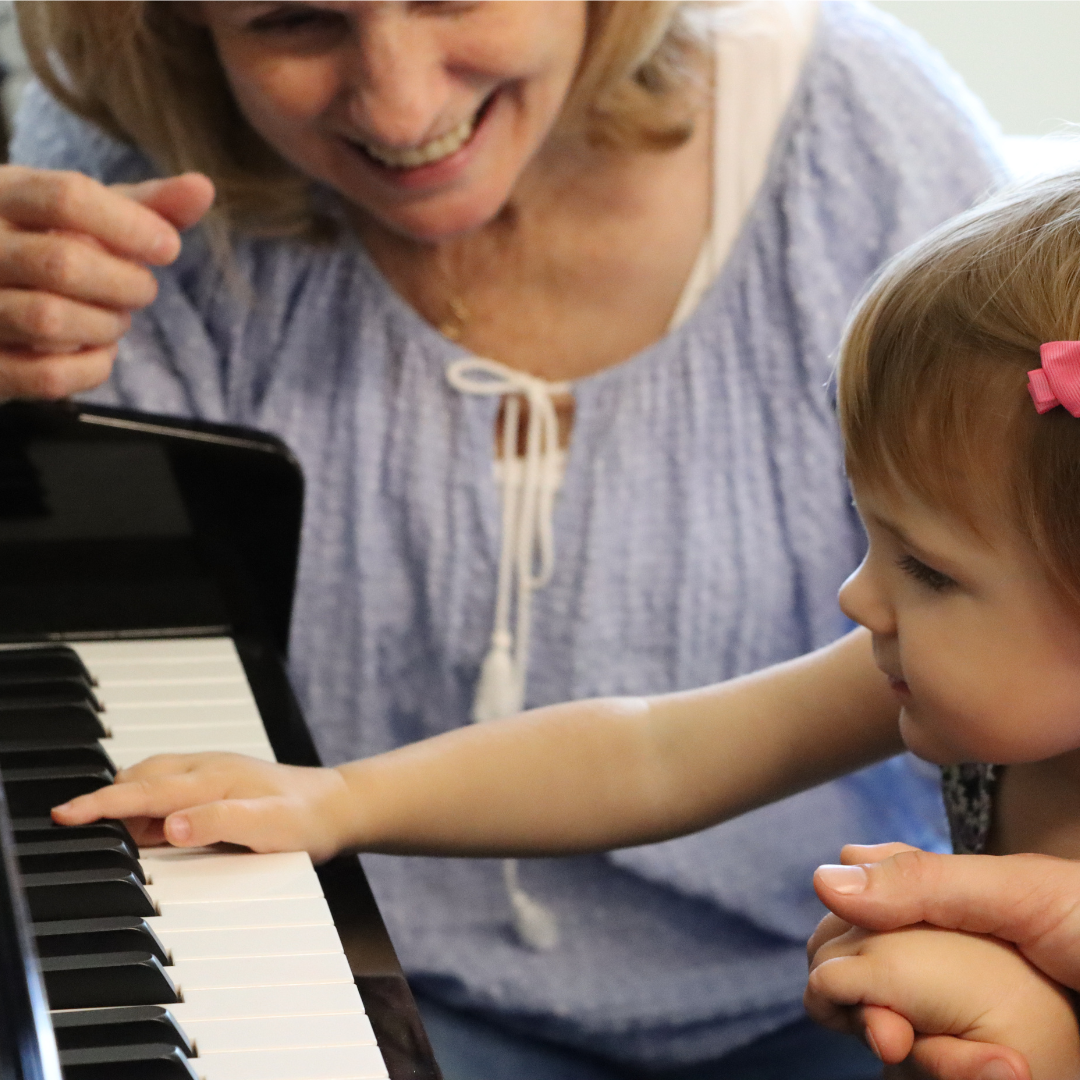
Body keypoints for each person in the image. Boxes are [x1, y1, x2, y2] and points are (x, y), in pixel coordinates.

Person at [4, 2, 1000, 1076]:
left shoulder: (864, 138)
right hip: (334, 959)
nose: (400, 100)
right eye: (294, 21)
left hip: (824, 991)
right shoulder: (117, 174)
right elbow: (658, 749)